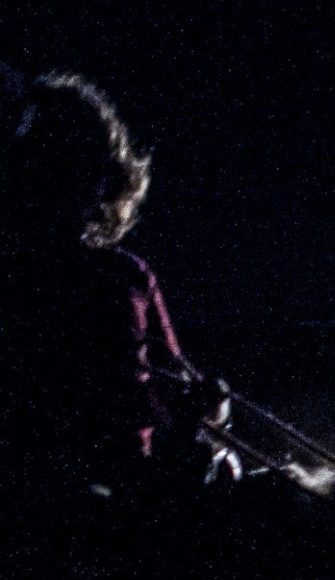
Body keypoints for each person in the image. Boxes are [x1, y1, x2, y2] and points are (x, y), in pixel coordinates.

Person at [0, 69, 218, 515]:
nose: (79, 182)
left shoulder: (127, 276)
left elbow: (178, 393)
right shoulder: (119, 277)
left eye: (87, 165)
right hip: (89, 509)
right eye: (59, 164)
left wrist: (208, 407)